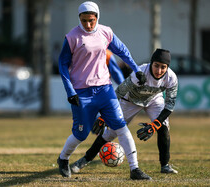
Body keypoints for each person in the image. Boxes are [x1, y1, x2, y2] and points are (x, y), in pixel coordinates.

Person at [57, 1, 151, 180]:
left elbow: (122, 51)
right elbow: (62, 65)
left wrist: (137, 70)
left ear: (97, 17)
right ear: (79, 18)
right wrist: (70, 91)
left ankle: (135, 169)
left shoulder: (105, 32)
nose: (87, 24)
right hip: (81, 93)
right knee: (81, 134)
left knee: (120, 127)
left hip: (105, 90)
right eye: (84, 21)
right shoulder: (71, 37)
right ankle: (63, 159)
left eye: (91, 20)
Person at [71, 48, 179, 174]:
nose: (159, 70)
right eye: (156, 65)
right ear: (151, 63)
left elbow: (169, 106)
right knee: (110, 133)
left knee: (163, 127)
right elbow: (118, 93)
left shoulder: (171, 78)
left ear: (167, 67)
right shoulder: (140, 72)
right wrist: (103, 117)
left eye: (163, 67)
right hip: (130, 101)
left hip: (153, 100)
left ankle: (165, 165)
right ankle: (85, 159)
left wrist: (155, 125)